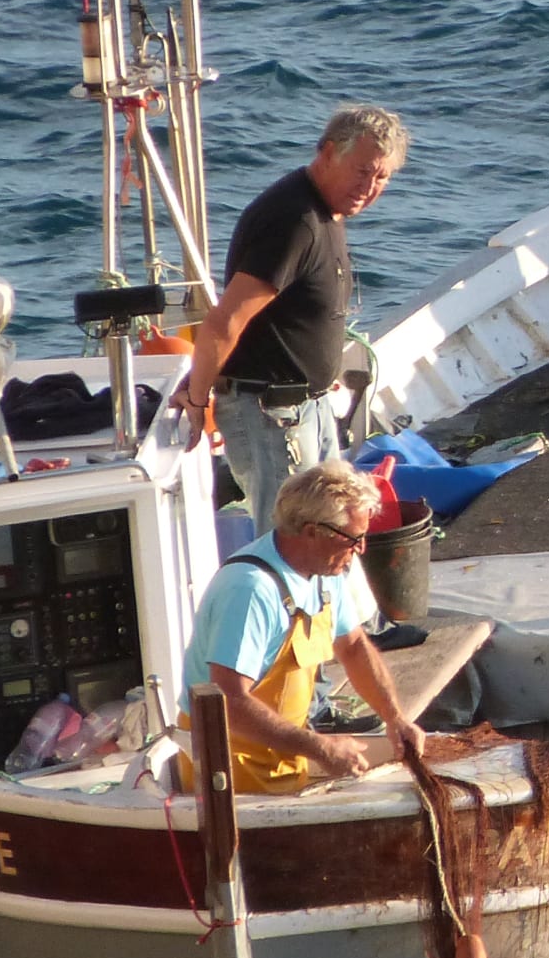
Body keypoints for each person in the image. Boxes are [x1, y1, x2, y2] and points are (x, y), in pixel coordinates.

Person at [171, 104, 409, 526]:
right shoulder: (293, 221)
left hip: (308, 408)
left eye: (382, 177)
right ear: (329, 152)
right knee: (293, 535)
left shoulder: (327, 211)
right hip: (272, 417)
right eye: (362, 171)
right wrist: (196, 398)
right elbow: (225, 322)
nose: (369, 187)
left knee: (329, 529)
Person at [181, 460, 425, 794]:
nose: (360, 550)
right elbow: (228, 700)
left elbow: (353, 647)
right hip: (228, 775)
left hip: (284, 759)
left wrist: (395, 718)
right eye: (354, 539)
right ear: (312, 532)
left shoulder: (327, 571)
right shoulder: (250, 591)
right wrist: (320, 748)